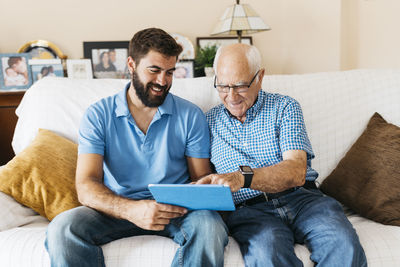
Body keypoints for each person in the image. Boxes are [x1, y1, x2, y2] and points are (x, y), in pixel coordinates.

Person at [45, 28, 228, 267]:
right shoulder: (98, 115)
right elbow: (86, 185)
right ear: (131, 64)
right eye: (154, 70)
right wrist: (132, 210)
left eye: (170, 72)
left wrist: (209, 188)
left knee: (209, 226)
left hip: (177, 211)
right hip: (116, 209)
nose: (163, 81)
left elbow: (200, 180)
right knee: (62, 227)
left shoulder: (190, 115)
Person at [197, 43, 367, 266]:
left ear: (260, 77)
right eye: (222, 86)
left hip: (302, 199)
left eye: (240, 85)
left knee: (343, 245)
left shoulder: (284, 107)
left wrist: (241, 178)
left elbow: (296, 170)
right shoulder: (207, 122)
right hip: (250, 212)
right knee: (266, 255)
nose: (231, 96)